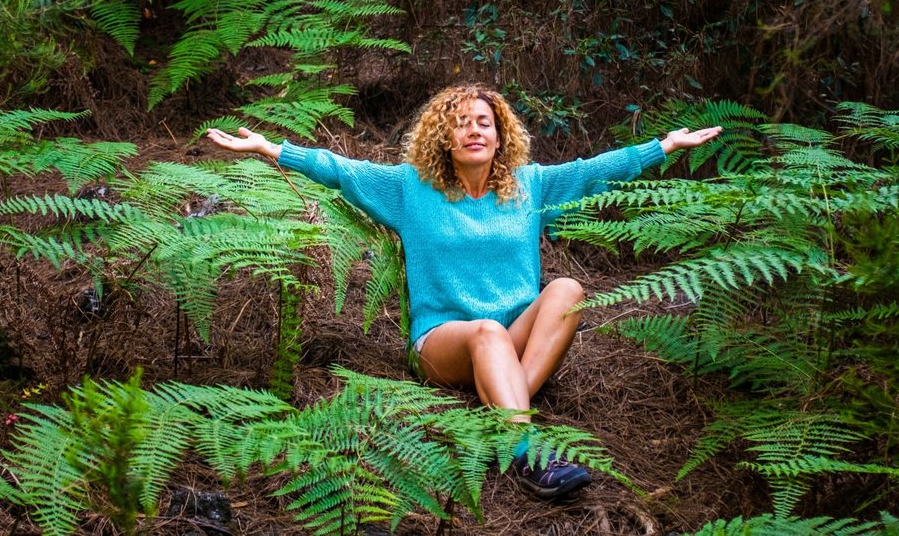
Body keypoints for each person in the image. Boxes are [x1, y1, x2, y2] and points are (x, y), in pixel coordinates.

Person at [205, 82, 722, 502]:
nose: (472, 129)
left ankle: (502, 399)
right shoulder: (410, 189)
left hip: (513, 336)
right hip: (445, 341)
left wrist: (663, 147)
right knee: (487, 333)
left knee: (566, 288)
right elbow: (340, 170)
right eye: (459, 122)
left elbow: (591, 173)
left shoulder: (529, 185)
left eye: (483, 122)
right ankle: (525, 448)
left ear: (500, 137)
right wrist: (273, 149)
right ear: (442, 138)